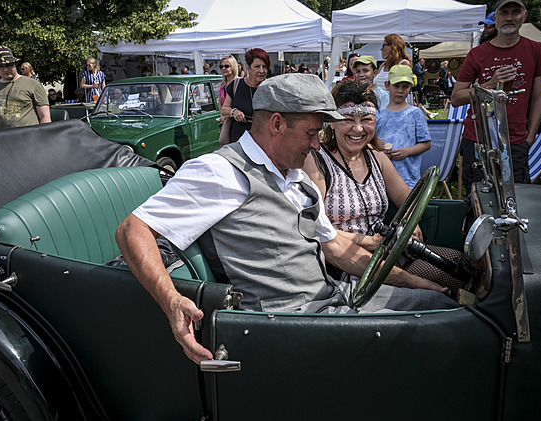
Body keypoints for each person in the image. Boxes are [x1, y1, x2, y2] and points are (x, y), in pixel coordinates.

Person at [115, 73, 455, 364]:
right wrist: (171, 301)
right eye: (311, 134)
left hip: (337, 296)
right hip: (290, 324)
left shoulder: (296, 177)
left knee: (444, 304)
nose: (317, 146)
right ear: (277, 124)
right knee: (444, 334)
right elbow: (133, 228)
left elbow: (335, 245)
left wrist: (410, 281)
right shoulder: (219, 171)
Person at [303, 79, 465, 292]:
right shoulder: (316, 160)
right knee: (443, 277)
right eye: (348, 119)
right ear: (331, 122)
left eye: (367, 120)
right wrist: (367, 241)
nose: (358, 128)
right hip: (345, 263)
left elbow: (409, 200)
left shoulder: (376, 156)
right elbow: (317, 227)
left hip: (387, 250)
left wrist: (411, 224)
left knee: (460, 264)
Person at [450, 0, 541, 196]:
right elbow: (456, 98)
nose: (509, 17)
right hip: (478, 140)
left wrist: (529, 139)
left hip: (515, 141)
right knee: (478, 200)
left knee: (517, 201)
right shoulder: (477, 54)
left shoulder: (537, 50)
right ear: (495, 17)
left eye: (516, 12)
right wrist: (489, 84)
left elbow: (539, 98)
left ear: (524, 15)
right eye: (504, 12)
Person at [376, 64, 432, 188]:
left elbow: (426, 143)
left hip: (408, 178)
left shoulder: (416, 113)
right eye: (396, 86)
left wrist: (407, 151)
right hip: (381, 177)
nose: (400, 90)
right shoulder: (378, 114)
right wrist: (381, 151)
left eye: (405, 87)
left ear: (410, 88)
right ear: (387, 85)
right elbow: (372, 142)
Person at [0, 46, 50, 131]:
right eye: (1, 66)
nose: (6, 69)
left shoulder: (33, 84)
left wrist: (44, 139)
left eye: (9, 65)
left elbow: (45, 117)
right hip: (0, 140)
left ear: (15, 64)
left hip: (28, 138)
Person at [220, 48, 269, 143]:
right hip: (238, 140)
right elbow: (224, 109)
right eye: (257, 66)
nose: (261, 70)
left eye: (265, 66)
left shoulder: (270, 87)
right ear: (248, 67)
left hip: (263, 141)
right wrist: (234, 112)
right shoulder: (236, 84)